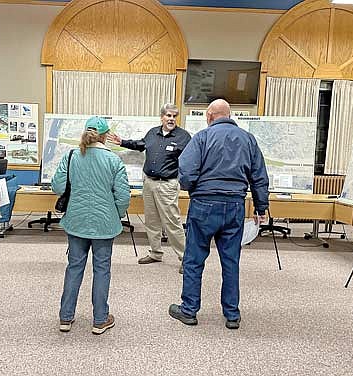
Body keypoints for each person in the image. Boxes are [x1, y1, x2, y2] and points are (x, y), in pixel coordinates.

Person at [169, 99, 269, 330]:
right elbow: (259, 176)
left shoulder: (202, 138)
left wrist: (192, 188)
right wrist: (261, 207)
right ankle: (232, 314)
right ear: (229, 115)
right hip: (234, 205)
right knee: (231, 261)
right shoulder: (248, 139)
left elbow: (186, 171)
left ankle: (189, 311)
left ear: (210, 116)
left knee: (194, 259)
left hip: (204, 204)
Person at [52, 116, 130, 335]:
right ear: (105, 136)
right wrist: (117, 214)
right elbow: (123, 196)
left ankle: (65, 318)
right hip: (105, 224)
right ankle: (100, 319)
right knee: (102, 269)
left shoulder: (71, 156)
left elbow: (58, 187)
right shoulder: (114, 160)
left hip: (76, 220)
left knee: (74, 267)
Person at [107, 103, 191, 273]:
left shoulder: (184, 137)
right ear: (162, 117)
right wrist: (122, 141)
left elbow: (190, 160)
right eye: (168, 115)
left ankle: (186, 259)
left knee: (172, 222)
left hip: (167, 185)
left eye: (174, 116)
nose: (171, 119)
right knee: (152, 221)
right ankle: (155, 252)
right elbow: (140, 145)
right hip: (149, 182)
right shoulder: (153, 132)